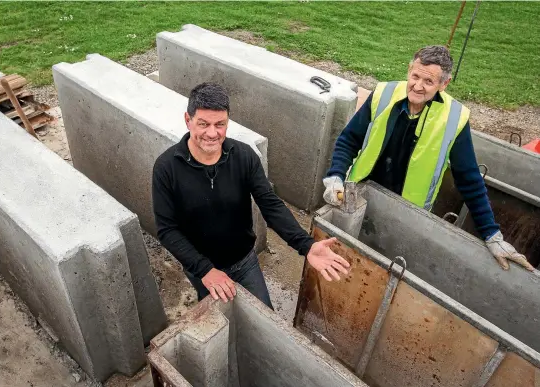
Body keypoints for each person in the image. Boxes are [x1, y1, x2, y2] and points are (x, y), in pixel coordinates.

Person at [323, 45, 534, 272]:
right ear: (409, 69)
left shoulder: (454, 118)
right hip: (359, 194)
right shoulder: (384, 94)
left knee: (380, 267)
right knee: (341, 256)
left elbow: (469, 178)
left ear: (444, 84)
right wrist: (335, 175)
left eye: (428, 82)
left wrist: (491, 234)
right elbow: (349, 140)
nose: (417, 86)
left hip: (407, 214)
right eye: (415, 76)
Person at [152, 82, 351, 308]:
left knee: (264, 315)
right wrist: (205, 270)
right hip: (200, 269)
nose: (212, 133)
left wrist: (306, 245)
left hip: (244, 262)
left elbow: (271, 206)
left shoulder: (244, 157)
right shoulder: (166, 168)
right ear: (188, 120)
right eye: (203, 124)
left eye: (220, 124)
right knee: (219, 323)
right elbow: (167, 230)